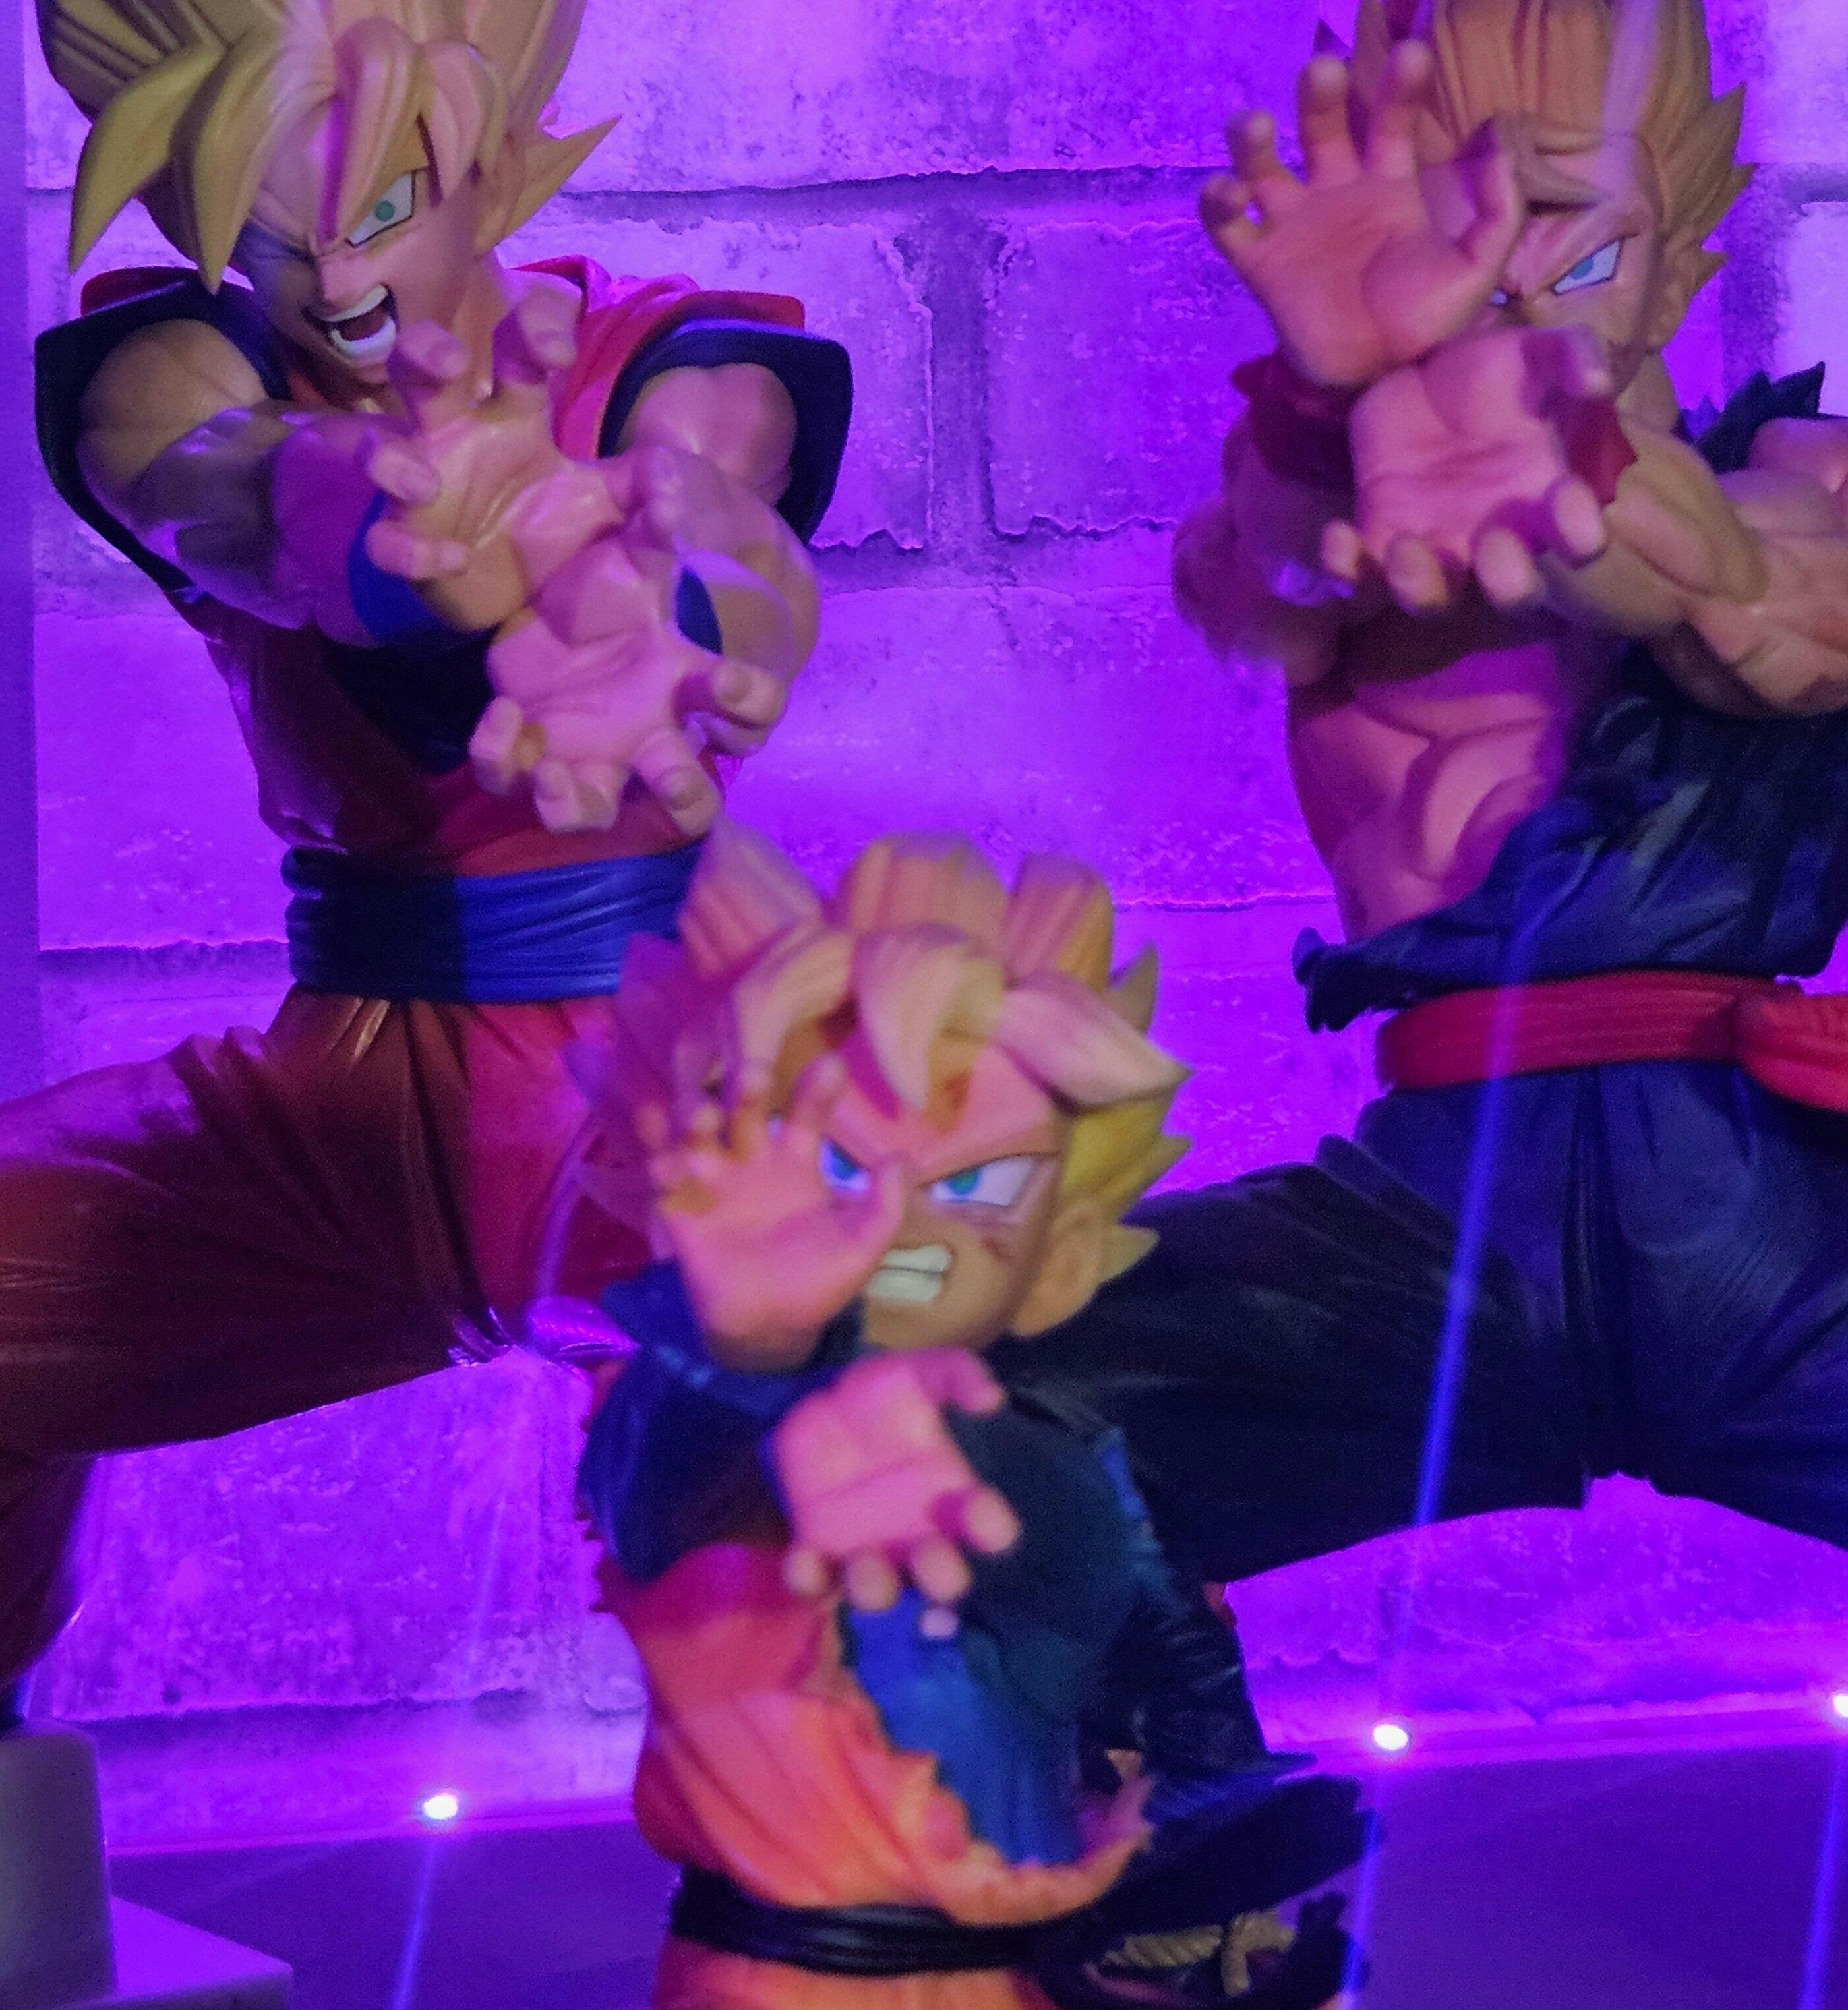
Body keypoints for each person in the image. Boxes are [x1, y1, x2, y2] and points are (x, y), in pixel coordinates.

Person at [0, 0, 852, 1753]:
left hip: (664, 1099)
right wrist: (403, 525)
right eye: (273, 240)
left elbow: (726, 516)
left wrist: (654, 589)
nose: (343, 290)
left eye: (376, 209)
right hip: (340, 1113)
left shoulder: (674, 357)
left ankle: (1011, 1837)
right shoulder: (168, 363)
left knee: (883, 1482)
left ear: (493, 118)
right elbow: (224, 488)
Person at [997, 0, 1848, 1611]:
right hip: (1428, 1238)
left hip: (1761, 1230)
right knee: (943, 1440)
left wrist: (1554, 447)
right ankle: (1159, 1786)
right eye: (1461, 240)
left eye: (1572, 241)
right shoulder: (1319, 525)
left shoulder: (1824, 486)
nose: (1507, 287)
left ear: (1680, 250)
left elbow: (1762, 614)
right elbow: (1273, 567)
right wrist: (1336, 397)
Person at [572, 821, 1369, 2010]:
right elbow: (647, 1500)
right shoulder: (679, 1421)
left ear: (1065, 1253)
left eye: (974, 1183)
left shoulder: (1062, 1463)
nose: (899, 1222)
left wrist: (1196, 1878)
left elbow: (1098, 1586)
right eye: (838, 1166)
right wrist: (755, 1360)